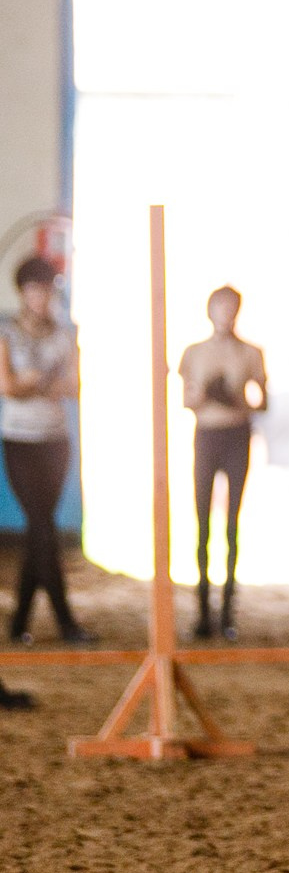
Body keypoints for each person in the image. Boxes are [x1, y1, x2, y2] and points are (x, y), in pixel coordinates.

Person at [3, 256, 88, 644]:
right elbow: (6, 386)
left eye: (48, 289)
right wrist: (35, 383)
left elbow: (73, 385)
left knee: (42, 528)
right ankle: (65, 620)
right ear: (24, 292)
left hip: (55, 440)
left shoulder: (66, 333)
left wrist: (35, 384)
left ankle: (20, 623)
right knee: (42, 525)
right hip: (19, 438)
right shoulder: (6, 332)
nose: (42, 297)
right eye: (36, 289)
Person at [178, 285, 266, 639]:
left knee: (231, 524)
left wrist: (234, 399)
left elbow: (263, 401)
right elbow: (188, 400)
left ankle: (228, 610)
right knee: (202, 522)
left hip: (236, 436)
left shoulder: (250, 354)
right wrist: (207, 396)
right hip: (207, 435)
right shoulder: (194, 353)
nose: (225, 314)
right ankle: (202, 609)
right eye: (220, 307)